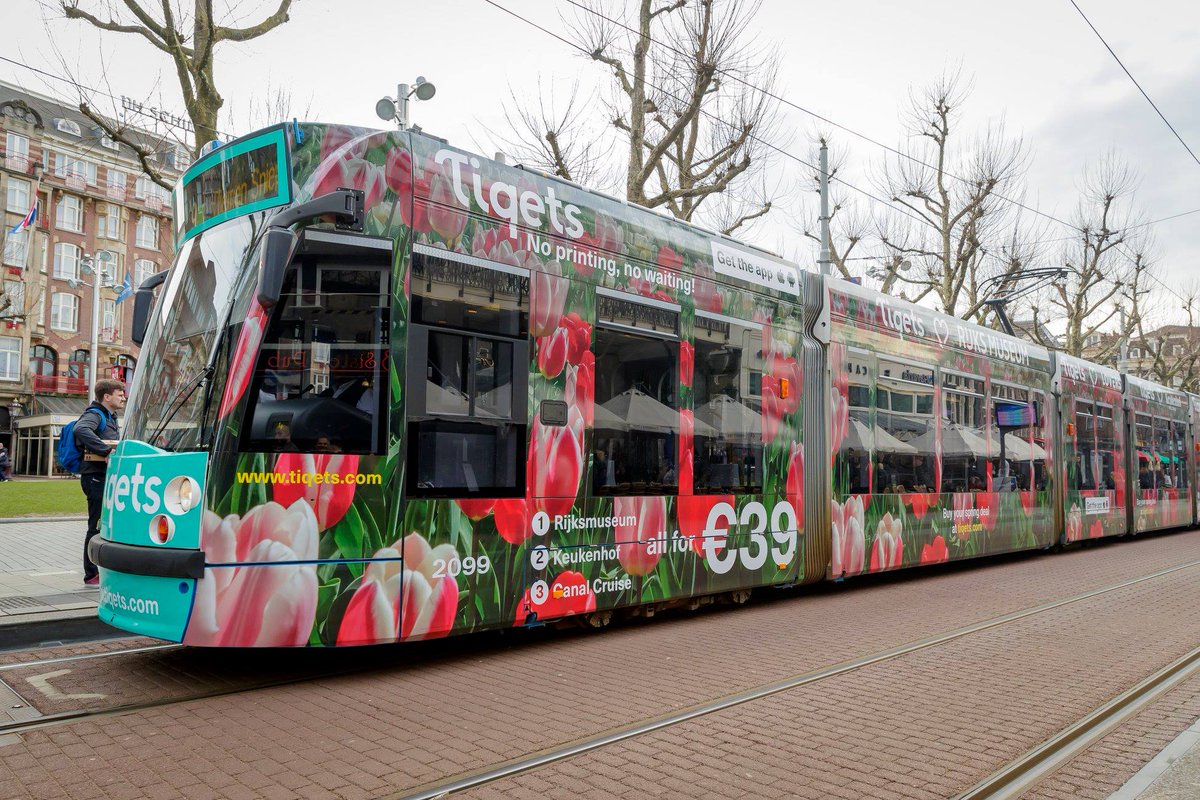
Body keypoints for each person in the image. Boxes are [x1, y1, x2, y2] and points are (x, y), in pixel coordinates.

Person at [77, 379, 125, 586]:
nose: (123, 397)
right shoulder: (95, 414)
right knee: (95, 525)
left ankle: (102, 568)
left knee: (105, 524)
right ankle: (91, 574)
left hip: (104, 476)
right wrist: (106, 450)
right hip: (95, 477)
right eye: (119, 393)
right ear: (107, 396)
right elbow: (81, 430)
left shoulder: (109, 416)